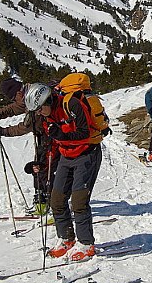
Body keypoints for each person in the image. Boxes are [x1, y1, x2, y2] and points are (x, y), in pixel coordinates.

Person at [24, 82, 103, 262]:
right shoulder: (47, 117)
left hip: (87, 154)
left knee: (79, 202)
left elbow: (85, 133)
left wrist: (62, 135)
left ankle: (86, 244)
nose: (38, 113)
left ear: (48, 100)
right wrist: (42, 164)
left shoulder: (71, 105)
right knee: (57, 200)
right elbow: (53, 143)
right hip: (66, 157)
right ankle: (67, 239)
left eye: (39, 109)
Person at [0, 78, 58, 214]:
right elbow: (16, 107)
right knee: (39, 169)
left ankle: (55, 208)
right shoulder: (28, 93)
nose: (14, 101)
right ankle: (43, 204)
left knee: (44, 170)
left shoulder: (35, 98)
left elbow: (26, 127)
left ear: (18, 92)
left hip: (52, 137)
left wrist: (4, 131)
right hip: (45, 136)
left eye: (13, 97)